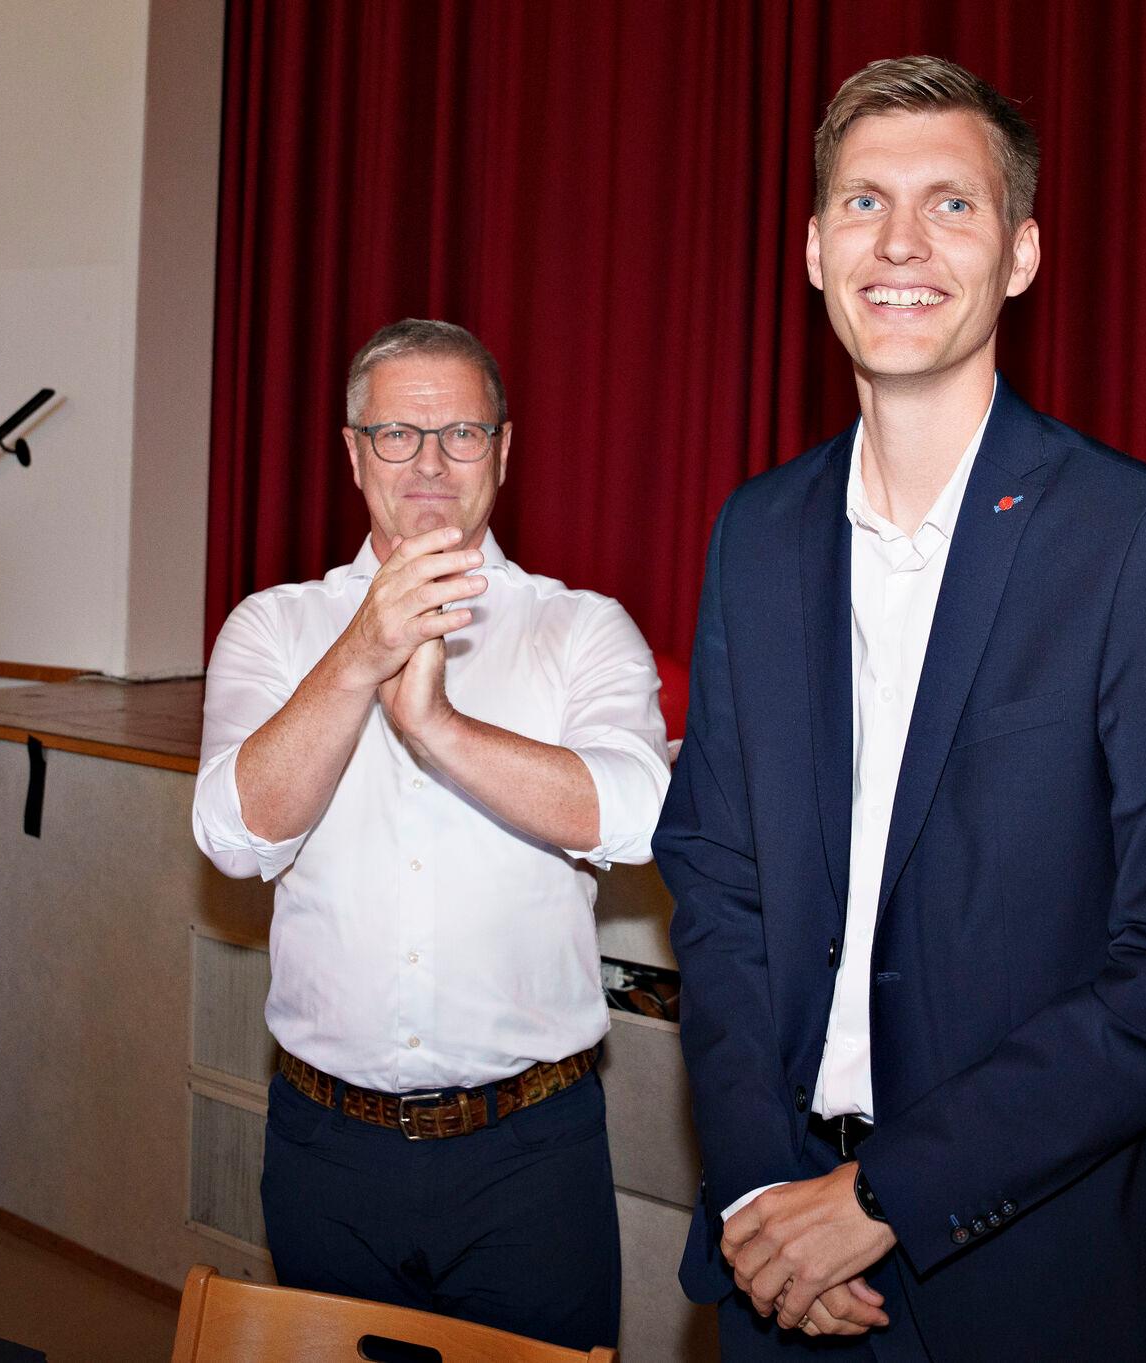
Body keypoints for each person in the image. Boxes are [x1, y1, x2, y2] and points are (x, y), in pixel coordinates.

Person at [654, 57, 1146, 1361]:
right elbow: (715, 884)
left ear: (1021, 255)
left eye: (951, 205)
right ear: (816, 250)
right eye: (862, 202)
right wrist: (767, 1189)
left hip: (1038, 1278)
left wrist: (880, 1197)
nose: (899, 241)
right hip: (777, 1270)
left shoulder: (1143, 543)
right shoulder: (756, 533)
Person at [192, 319, 668, 1351]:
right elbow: (235, 836)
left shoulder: (579, 626)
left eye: (459, 432)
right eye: (398, 435)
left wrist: (439, 728)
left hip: (531, 1155)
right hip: (328, 1149)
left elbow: (637, 814)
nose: (429, 462)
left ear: (504, 450)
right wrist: (362, 653)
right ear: (353, 452)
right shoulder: (274, 629)